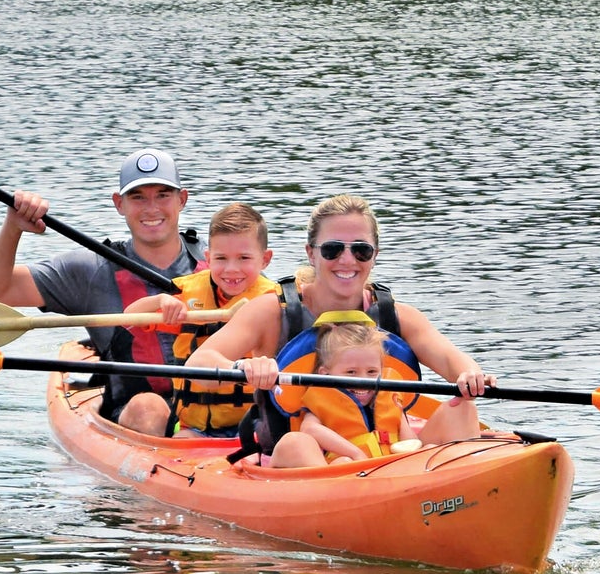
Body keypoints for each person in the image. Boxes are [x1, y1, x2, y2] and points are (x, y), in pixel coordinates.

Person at [185, 193, 497, 468]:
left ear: (375, 255)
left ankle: (448, 492)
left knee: (463, 410)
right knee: (297, 443)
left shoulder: (397, 316)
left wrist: (470, 376)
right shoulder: (272, 311)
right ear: (311, 253)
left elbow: (454, 361)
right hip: (302, 460)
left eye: (361, 250)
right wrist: (244, 367)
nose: (347, 260)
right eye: (332, 249)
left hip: (386, 458)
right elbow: (199, 362)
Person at [0, 148, 206, 437]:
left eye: (163, 195)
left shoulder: (223, 265)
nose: (151, 208)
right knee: (149, 408)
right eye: (138, 197)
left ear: (182, 199)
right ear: (119, 204)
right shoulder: (91, 270)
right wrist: (13, 227)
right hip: (133, 415)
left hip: (215, 411)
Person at [124, 202, 277, 438]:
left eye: (244, 258)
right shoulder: (188, 294)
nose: (231, 269)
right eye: (221, 258)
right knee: (154, 416)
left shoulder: (273, 301)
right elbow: (129, 319)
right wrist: (160, 301)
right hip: (192, 428)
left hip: (253, 427)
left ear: (265, 259)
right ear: (208, 258)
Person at [294, 321, 423, 465]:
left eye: (372, 371)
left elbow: (410, 441)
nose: (363, 380)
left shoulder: (391, 397)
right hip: (348, 467)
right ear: (325, 373)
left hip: (389, 467)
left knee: (430, 448)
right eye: (351, 372)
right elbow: (309, 429)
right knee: (340, 460)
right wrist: (356, 454)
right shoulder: (321, 400)